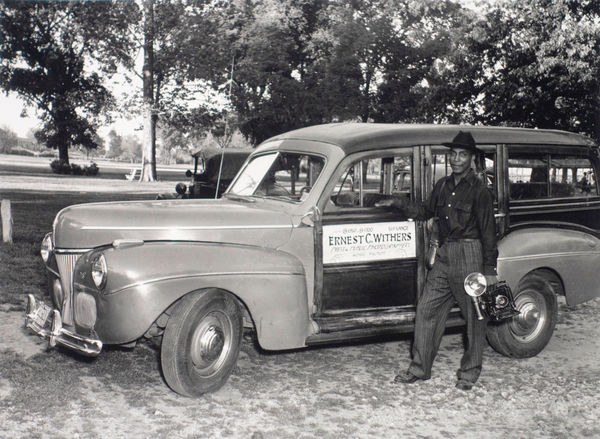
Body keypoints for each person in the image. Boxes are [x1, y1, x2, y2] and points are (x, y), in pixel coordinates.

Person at [376, 131, 498, 391]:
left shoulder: (480, 191)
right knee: (427, 309)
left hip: (470, 256)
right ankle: (420, 369)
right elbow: (425, 211)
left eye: (462, 155)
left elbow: (489, 233)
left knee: (475, 317)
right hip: (444, 255)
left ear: (472, 158)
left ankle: (470, 372)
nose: (456, 159)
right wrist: (397, 203)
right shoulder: (442, 185)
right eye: (452, 154)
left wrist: (489, 271)